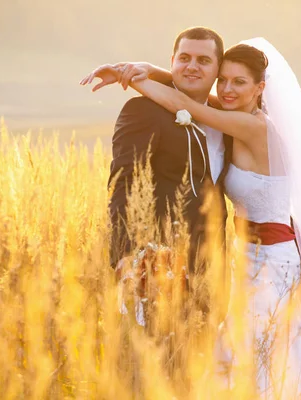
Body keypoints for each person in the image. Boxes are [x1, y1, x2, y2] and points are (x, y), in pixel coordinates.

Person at [81, 37, 301, 398]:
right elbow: (196, 94)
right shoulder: (235, 115)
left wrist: (131, 75)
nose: (226, 88)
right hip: (246, 256)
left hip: (274, 258)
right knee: (259, 346)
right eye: (223, 80)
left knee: (261, 347)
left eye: (238, 82)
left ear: (261, 88)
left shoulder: (257, 128)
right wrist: (153, 69)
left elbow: (182, 101)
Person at [90, 26, 233, 318]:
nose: (191, 66)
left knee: (197, 357)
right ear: (172, 61)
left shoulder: (227, 122)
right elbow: (122, 183)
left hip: (210, 268)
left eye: (203, 60)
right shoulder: (143, 110)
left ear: (218, 70)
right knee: (152, 356)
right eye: (184, 58)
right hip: (154, 263)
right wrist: (126, 255)